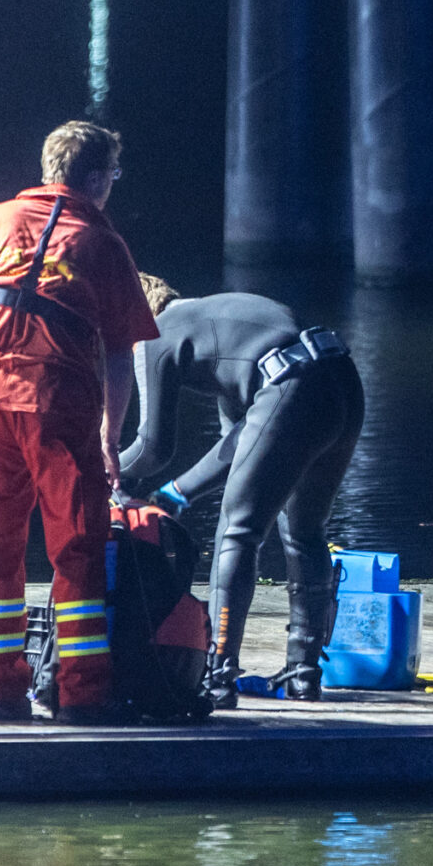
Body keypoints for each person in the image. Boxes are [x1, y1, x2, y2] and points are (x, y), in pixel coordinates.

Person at [0, 121, 158, 724]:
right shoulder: (102, 243)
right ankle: (84, 697)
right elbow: (121, 351)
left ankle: (3, 694)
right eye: (111, 175)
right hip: (57, 402)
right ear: (95, 179)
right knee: (77, 548)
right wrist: (112, 438)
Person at [119, 277, 364, 709]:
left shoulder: (152, 336)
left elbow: (152, 449)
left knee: (238, 532)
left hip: (290, 389)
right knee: (304, 530)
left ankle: (218, 674)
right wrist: (178, 492)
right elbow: (243, 441)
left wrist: (99, 468)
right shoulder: (216, 320)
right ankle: (303, 675)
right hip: (341, 382)